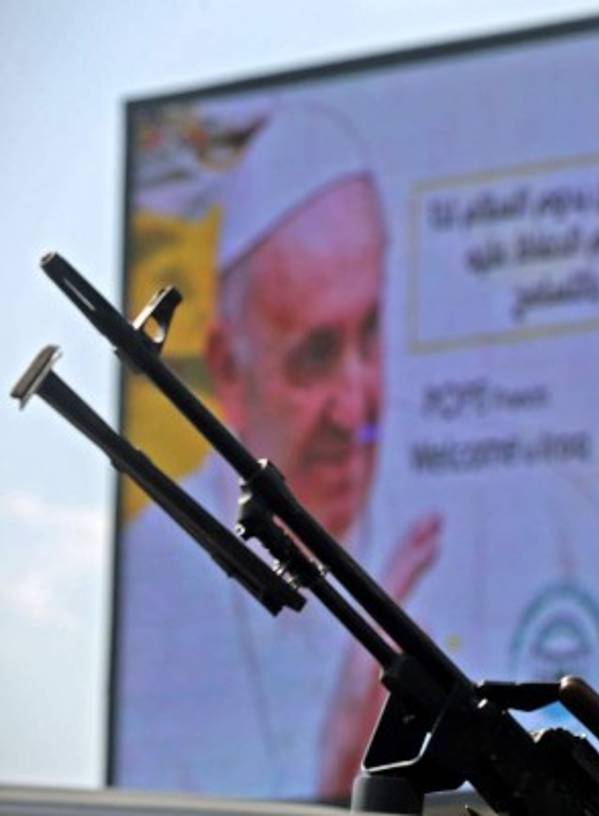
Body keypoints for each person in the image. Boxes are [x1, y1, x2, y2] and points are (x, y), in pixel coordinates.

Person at [115, 105, 439, 798]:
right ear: (229, 367)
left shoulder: (444, 523)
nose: (357, 410)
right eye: (315, 356)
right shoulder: (157, 583)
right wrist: (346, 773)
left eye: (370, 332)